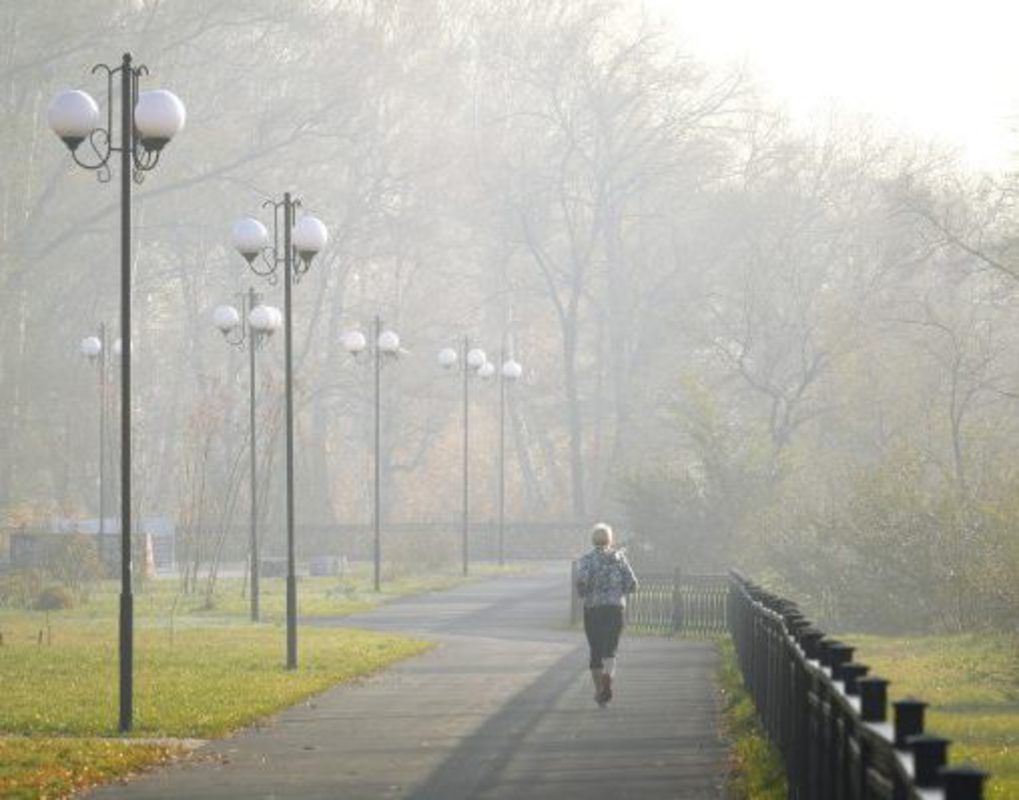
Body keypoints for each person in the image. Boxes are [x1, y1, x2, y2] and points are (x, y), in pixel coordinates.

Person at [574, 523, 638, 707]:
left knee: (595, 651)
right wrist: (618, 592)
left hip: (593, 610)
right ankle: (607, 678)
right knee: (610, 650)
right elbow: (633, 584)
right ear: (610, 539)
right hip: (615, 609)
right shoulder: (619, 559)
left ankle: (599, 691)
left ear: (593, 539)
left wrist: (585, 593)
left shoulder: (586, 560)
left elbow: (581, 582)